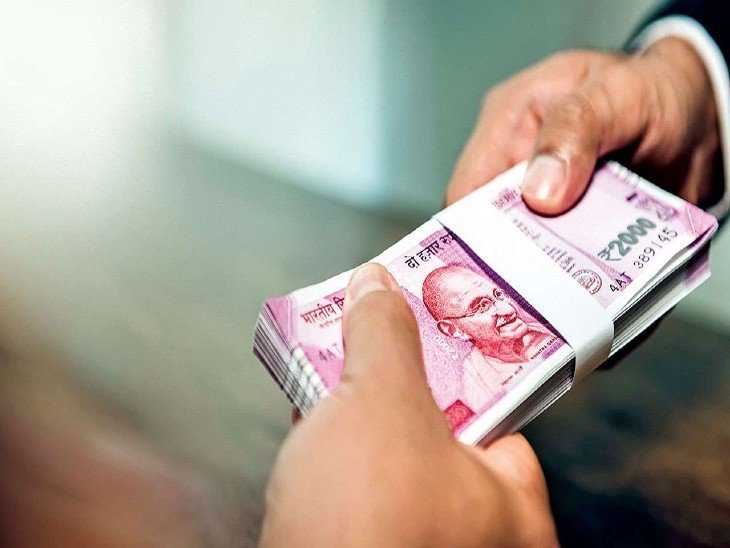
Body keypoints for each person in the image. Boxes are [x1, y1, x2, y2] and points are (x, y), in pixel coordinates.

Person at [262, 2, 729, 545]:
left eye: (492, 295)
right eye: (480, 307)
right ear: (454, 330)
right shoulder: (470, 390)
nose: (505, 307)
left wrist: (694, 74)